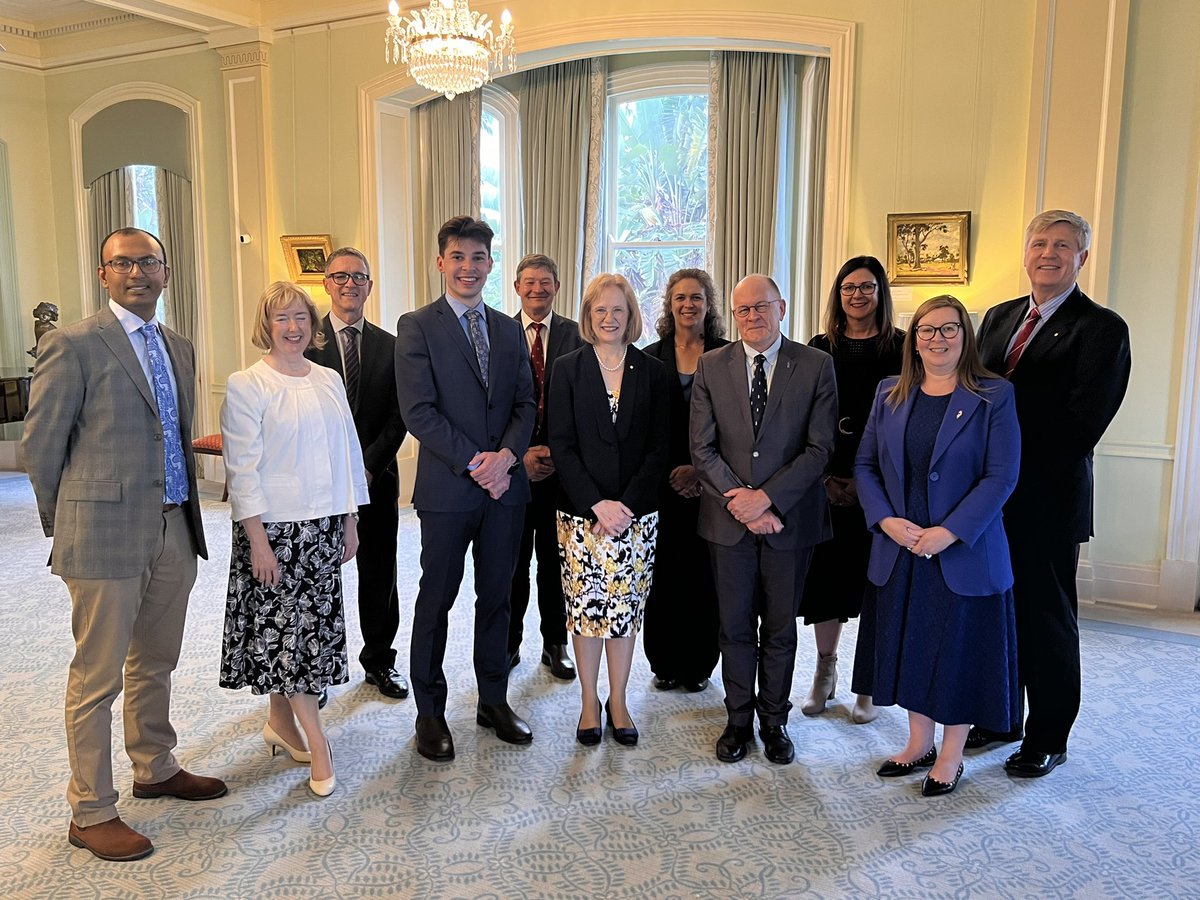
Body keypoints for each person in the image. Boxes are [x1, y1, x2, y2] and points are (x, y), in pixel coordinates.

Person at [23, 227, 226, 862]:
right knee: (97, 674)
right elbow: (40, 448)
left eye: (149, 262)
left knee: (156, 659)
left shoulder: (179, 346)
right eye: (123, 263)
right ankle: (90, 808)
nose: (137, 272)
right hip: (103, 533)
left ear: (167, 273)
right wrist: (68, 526)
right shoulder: (74, 344)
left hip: (173, 525)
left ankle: (155, 765)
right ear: (105, 274)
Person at [971, 210, 1131, 778]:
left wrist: (1005, 465)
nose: (1048, 253)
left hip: (1046, 500)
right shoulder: (998, 317)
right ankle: (999, 717)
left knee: (1047, 621)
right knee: (998, 612)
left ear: (1081, 258)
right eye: (1039, 242)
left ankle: (1048, 736)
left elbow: (1081, 424)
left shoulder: (1103, 329)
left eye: (1062, 245)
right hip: (990, 503)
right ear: (1026, 252)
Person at [855, 295, 1021, 796]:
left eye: (949, 330)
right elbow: (864, 465)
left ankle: (951, 755)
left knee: (956, 654)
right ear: (914, 339)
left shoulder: (994, 395)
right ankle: (918, 743)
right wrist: (885, 520)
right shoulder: (890, 392)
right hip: (902, 549)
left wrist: (948, 531)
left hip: (961, 552)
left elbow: (1001, 476)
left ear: (965, 336)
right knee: (912, 647)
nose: (937, 339)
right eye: (926, 330)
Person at [395, 215, 537, 762]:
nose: (468, 268)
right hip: (450, 489)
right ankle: (430, 712)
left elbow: (526, 403)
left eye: (478, 258)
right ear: (441, 262)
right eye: (457, 257)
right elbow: (419, 412)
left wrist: (505, 458)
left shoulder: (506, 327)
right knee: (437, 599)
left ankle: (493, 700)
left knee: (498, 598)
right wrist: (477, 461)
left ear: (491, 264)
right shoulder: (417, 326)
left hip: (505, 489)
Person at [219, 281, 368, 799]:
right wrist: (256, 542)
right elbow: (242, 470)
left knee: (307, 635)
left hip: (324, 525)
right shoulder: (247, 384)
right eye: (281, 317)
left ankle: (281, 725)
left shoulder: (328, 379)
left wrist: (350, 518)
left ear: (313, 324)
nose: (293, 327)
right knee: (295, 641)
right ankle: (320, 745)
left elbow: (348, 450)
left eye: (301, 317)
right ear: (267, 324)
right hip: (275, 533)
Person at [690, 274, 837, 765]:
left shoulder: (816, 365)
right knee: (732, 626)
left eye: (762, 307)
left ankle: (774, 722)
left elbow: (820, 449)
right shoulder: (712, 365)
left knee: (779, 628)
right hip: (727, 521)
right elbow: (702, 448)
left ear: (783, 307)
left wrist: (768, 501)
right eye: (743, 310)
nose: (752, 317)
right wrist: (742, 502)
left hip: (790, 521)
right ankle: (737, 720)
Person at [548, 273, 669, 747]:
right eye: (600, 310)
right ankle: (588, 702)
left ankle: (618, 700)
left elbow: (660, 448)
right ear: (588, 316)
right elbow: (561, 444)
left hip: (636, 517)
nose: (609, 318)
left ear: (631, 315)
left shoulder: (652, 371)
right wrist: (596, 503)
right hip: (581, 517)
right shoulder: (567, 368)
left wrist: (626, 506)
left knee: (623, 613)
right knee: (585, 613)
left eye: (618, 310)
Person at [802, 256, 904, 722]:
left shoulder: (903, 348)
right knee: (827, 583)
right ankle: (825, 670)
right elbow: (802, 417)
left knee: (873, 582)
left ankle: (868, 682)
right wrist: (823, 478)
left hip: (882, 485)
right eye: (848, 288)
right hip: (825, 480)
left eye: (866, 287)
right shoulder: (819, 348)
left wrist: (870, 485)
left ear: (880, 293)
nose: (857, 295)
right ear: (837, 295)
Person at [307, 247, 409, 700]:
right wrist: (335, 469)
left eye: (359, 277)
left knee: (379, 573)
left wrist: (368, 465)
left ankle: (380, 662)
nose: (350, 284)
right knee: (317, 575)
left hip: (376, 479)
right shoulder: (306, 344)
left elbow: (400, 414)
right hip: (318, 485)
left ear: (370, 285)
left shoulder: (393, 346)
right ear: (327, 284)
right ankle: (319, 665)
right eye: (340, 276)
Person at [642, 268, 729, 693]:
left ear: (708, 305)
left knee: (704, 576)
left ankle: (698, 664)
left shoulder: (729, 355)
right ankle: (665, 661)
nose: (688, 305)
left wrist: (701, 470)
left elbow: (737, 425)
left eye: (696, 297)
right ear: (669, 305)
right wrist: (671, 471)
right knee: (663, 572)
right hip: (662, 482)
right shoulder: (649, 355)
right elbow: (639, 427)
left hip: (715, 484)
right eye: (680, 298)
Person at [507, 253, 584, 680]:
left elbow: (584, 402)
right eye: (529, 282)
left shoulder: (577, 334)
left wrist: (555, 452)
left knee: (556, 563)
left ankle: (555, 644)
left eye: (546, 282)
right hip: (513, 467)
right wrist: (520, 455)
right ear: (517, 287)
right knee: (512, 562)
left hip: (562, 469)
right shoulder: (499, 333)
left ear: (557, 287)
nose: (537, 289)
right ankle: (509, 643)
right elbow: (494, 404)